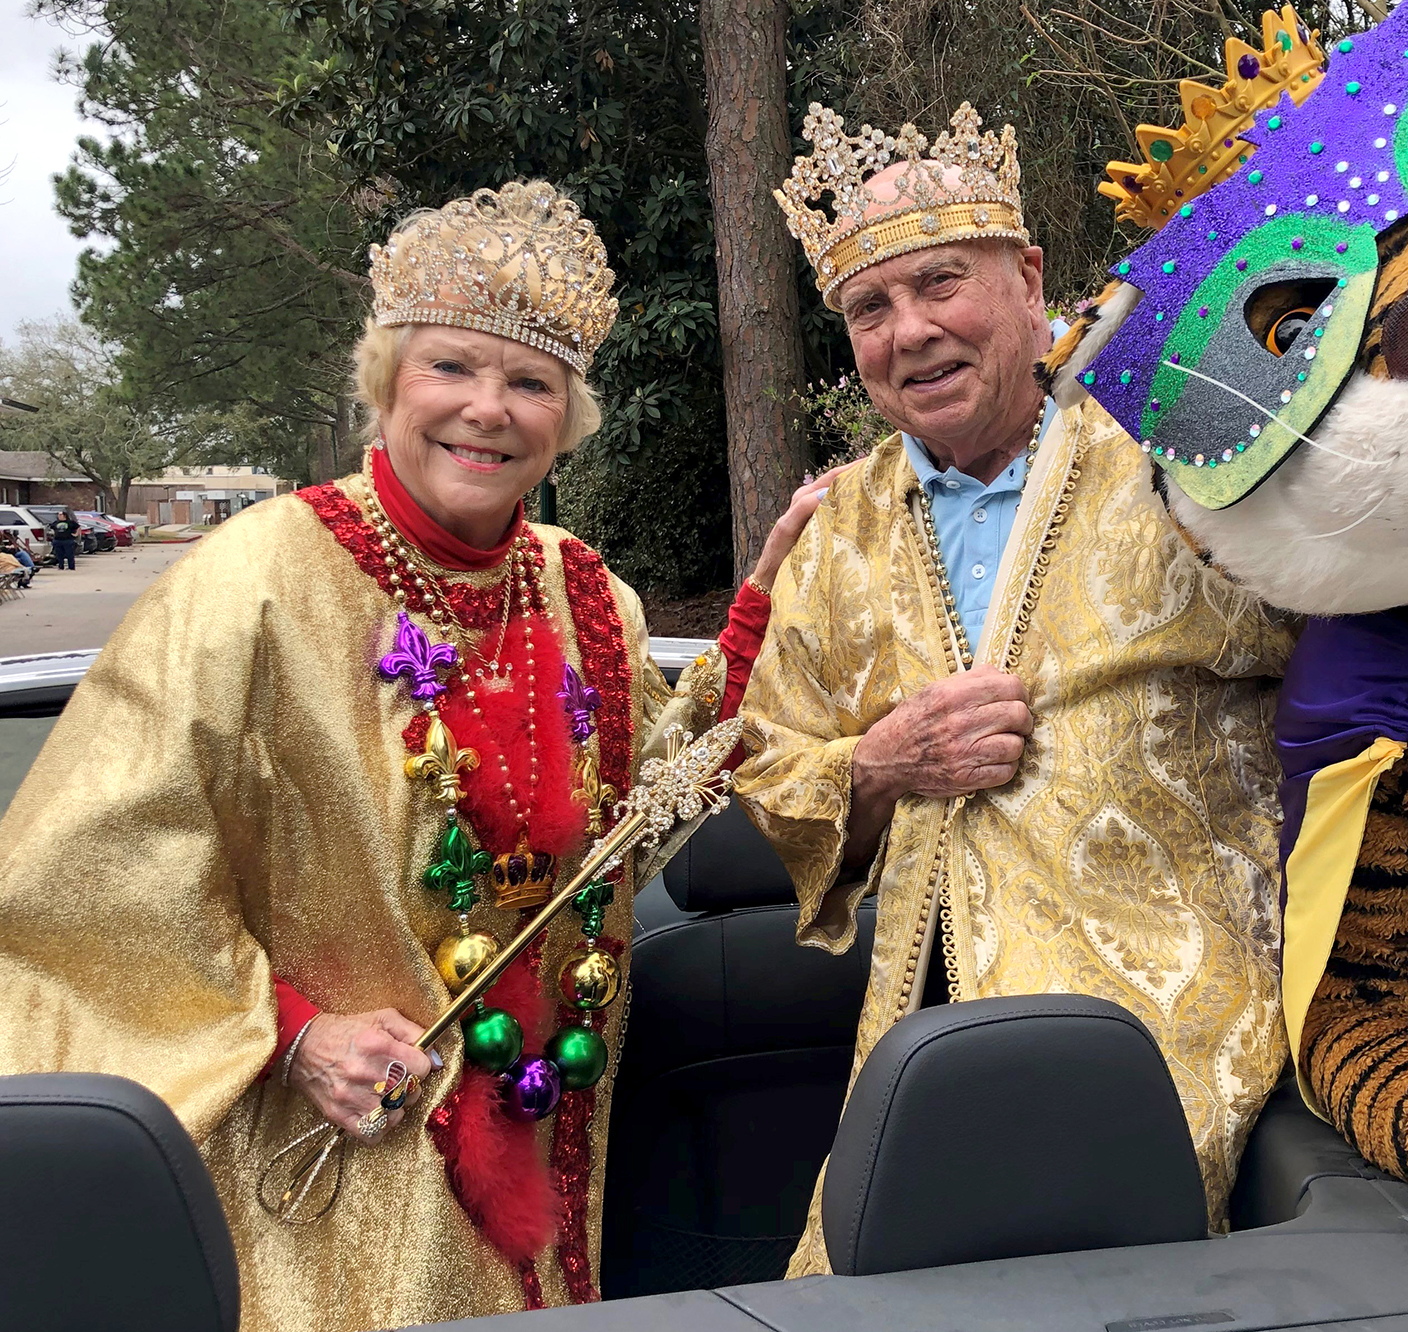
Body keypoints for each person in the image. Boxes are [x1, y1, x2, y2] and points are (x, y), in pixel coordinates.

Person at [0, 181, 814, 1331]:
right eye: (450, 367)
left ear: (565, 417)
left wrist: (757, 607)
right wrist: (293, 1034)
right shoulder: (252, 585)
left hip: (543, 1138)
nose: (487, 409)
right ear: (386, 380)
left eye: (529, 382)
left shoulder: (586, 593)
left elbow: (634, 828)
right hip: (330, 1162)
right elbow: (81, 879)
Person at [740, 103, 1297, 1275]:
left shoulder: (1183, 454)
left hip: (1175, 1032)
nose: (909, 331)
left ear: (1029, 278)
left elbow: (1346, 658)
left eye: (939, 282)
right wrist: (879, 764)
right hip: (924, 1042)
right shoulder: (837, 532)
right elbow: (770, 761)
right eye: (868, 308)